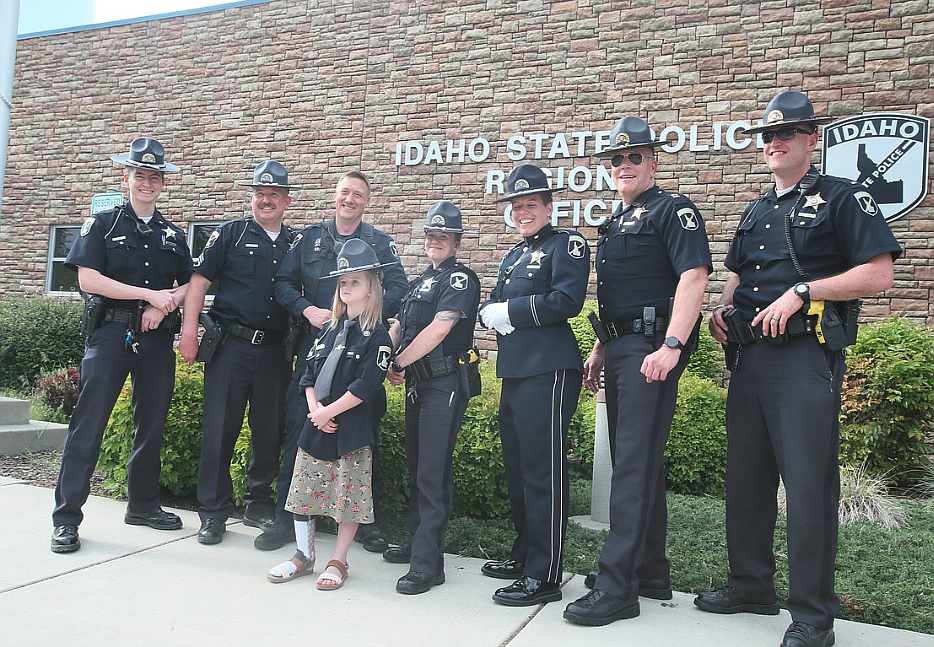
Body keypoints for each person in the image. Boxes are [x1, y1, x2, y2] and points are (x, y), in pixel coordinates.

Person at [695, 91, 901, 647]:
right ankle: (750, 584)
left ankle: (812, 614)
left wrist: (805, 290)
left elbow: (878, 275)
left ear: (813, 139)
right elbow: (738, 272)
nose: (775, 142)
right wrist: (723, 309)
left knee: (808, 485)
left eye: (788, 132)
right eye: (767, 135)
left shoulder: (842, 196)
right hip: (751, 358)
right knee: (747, 478)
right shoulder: (758, 207)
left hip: (805, 357)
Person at [563, 117, 712, 625]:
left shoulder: (674, 211)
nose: (624, 166)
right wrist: (602, 347)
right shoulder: (613, 222)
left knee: (630, 462)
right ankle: (648, 570)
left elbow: (694, 277)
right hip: (623, 347)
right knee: (640, 459)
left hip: (652, 347)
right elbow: (617, 295)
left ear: (653, 161)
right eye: (616, 159)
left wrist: (673, 343)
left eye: (634, 157)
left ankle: (616, 586)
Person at [51, 137, 192, 553]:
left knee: (151, 425)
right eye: (140, 175)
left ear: (163, 184)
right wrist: (147, 296)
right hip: (112, 334)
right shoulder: (104, 225)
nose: (146, 183)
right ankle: (66, 519)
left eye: (154, 177)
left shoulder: (172, 233)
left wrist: (165, 306)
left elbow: (190, 283)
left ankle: (143, 505)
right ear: (126, 177)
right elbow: (87, 279)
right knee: (88, 426)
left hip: (156, 336)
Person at [258, 171, 407, 552]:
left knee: (361, 440)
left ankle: (365, 526)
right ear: (335, 196)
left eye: (358, 194)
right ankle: (284, 520)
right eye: (345, 193)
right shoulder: (309, 239)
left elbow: (399, 288)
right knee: (300, 435)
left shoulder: (380, 244)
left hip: (361, 355)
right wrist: (306, 309)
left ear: (366, 201)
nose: (350, 200)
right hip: (317, 350)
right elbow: (282, 284)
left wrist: (367, 321)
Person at [479, 164, 590, 606]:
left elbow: (567, 300)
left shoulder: (568, 244)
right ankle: (525, 554)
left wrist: (511, 312)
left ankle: (544, 574)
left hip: (549, 369)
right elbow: (494, 302)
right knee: (520, 469)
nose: (523, 212)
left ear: (548, 206)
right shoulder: (512, 256)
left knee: (544, 472)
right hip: (516, 370)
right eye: (517, 206)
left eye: (531, 204)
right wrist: (493, 310)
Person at [178, 160, 297, 545]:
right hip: (231, 347)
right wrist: (188, 332)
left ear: (286, 201)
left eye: (274, 195)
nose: (266, 201)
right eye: (260, 194)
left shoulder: (297, 244)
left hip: (277, 353)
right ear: (252, 197)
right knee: (219, 431)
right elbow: (198, 282)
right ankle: (213, 512)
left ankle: (258, 504)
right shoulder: (228, 234)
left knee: (267, 432)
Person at [265, 238, 394, 590]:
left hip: (350, 427)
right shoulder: (329, 331)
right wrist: (316, 411)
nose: (347, 286)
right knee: (303, 491)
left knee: (347, 498)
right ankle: (304, 556)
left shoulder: (376, 335)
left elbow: (367, 385)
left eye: (355, 280)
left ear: (372, 288)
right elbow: (308, 375)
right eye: (343, 282)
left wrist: (330, 412)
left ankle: (339, 560)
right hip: (318, 423)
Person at [382, 201, 481, 595]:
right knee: (418, 467)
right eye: (431, 234)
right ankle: (417, 542)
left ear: (456, 240)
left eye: (444, 235)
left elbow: (440, 330)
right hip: (417, 384)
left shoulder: (459, 279)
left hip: (444, 382)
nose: (436, 240)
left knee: (432, 471)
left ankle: (428, 565)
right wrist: (384, 359)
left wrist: (399, 362)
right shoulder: (420, 281)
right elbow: (399, 325)